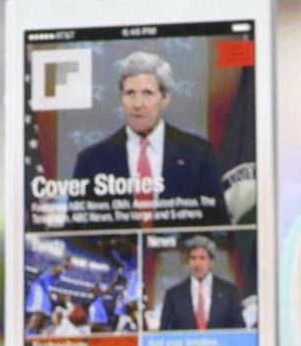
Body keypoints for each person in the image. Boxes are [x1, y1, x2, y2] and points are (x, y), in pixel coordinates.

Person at [72, 51, 229, 227]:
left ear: (165, 98)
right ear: (121, 97)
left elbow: (219, 228)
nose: (137, 104)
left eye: (147, 93)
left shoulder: (199, 155)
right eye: (130, 93)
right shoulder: (91, 161)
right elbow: (75, 236)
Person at [159, 235, 244, 331]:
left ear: (211, 261)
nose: (197, 263)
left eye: (202, 258)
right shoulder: (173, 295)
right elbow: (164, 332)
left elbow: (239, 330)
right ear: (188, 261)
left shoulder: (229, 292)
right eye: (193, 258)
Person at [25, 256, 70, 335]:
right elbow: (50, 274)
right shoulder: (53, 271)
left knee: (45, 313)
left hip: (45, 291)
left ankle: (37, 333)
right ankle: (29, 333)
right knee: (39, 312)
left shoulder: (61, 273)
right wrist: (63, 265)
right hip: (39, 288)